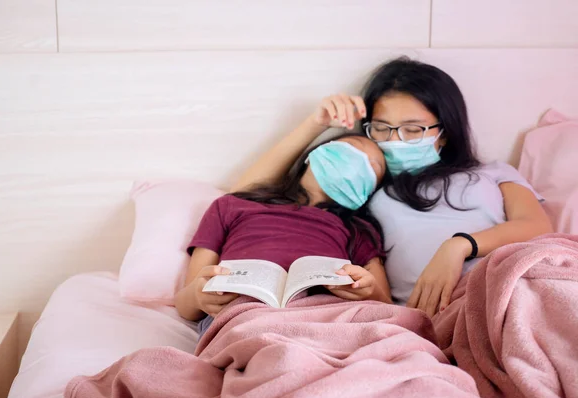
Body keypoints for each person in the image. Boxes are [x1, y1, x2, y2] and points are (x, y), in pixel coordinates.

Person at [232, 57, 553, 318]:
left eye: (413, 129)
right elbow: (245, 197)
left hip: (511, 278)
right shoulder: (370, 186)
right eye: (383, 129)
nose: (396, 141)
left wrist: (458, 246)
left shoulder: (492, 172)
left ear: (444, 131)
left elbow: (537, 226)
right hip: (439, 312)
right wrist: (314, 124)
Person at [175, 133, 392, 331]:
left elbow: (387, 308)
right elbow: (187, 305)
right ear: (318, 152)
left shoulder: (359, 229)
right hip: (242, 312)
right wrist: (198, 296)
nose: (359, 161)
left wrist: (367, 290)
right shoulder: (232, 205)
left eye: (374, 165)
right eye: (353, 147)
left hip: (324, 317)